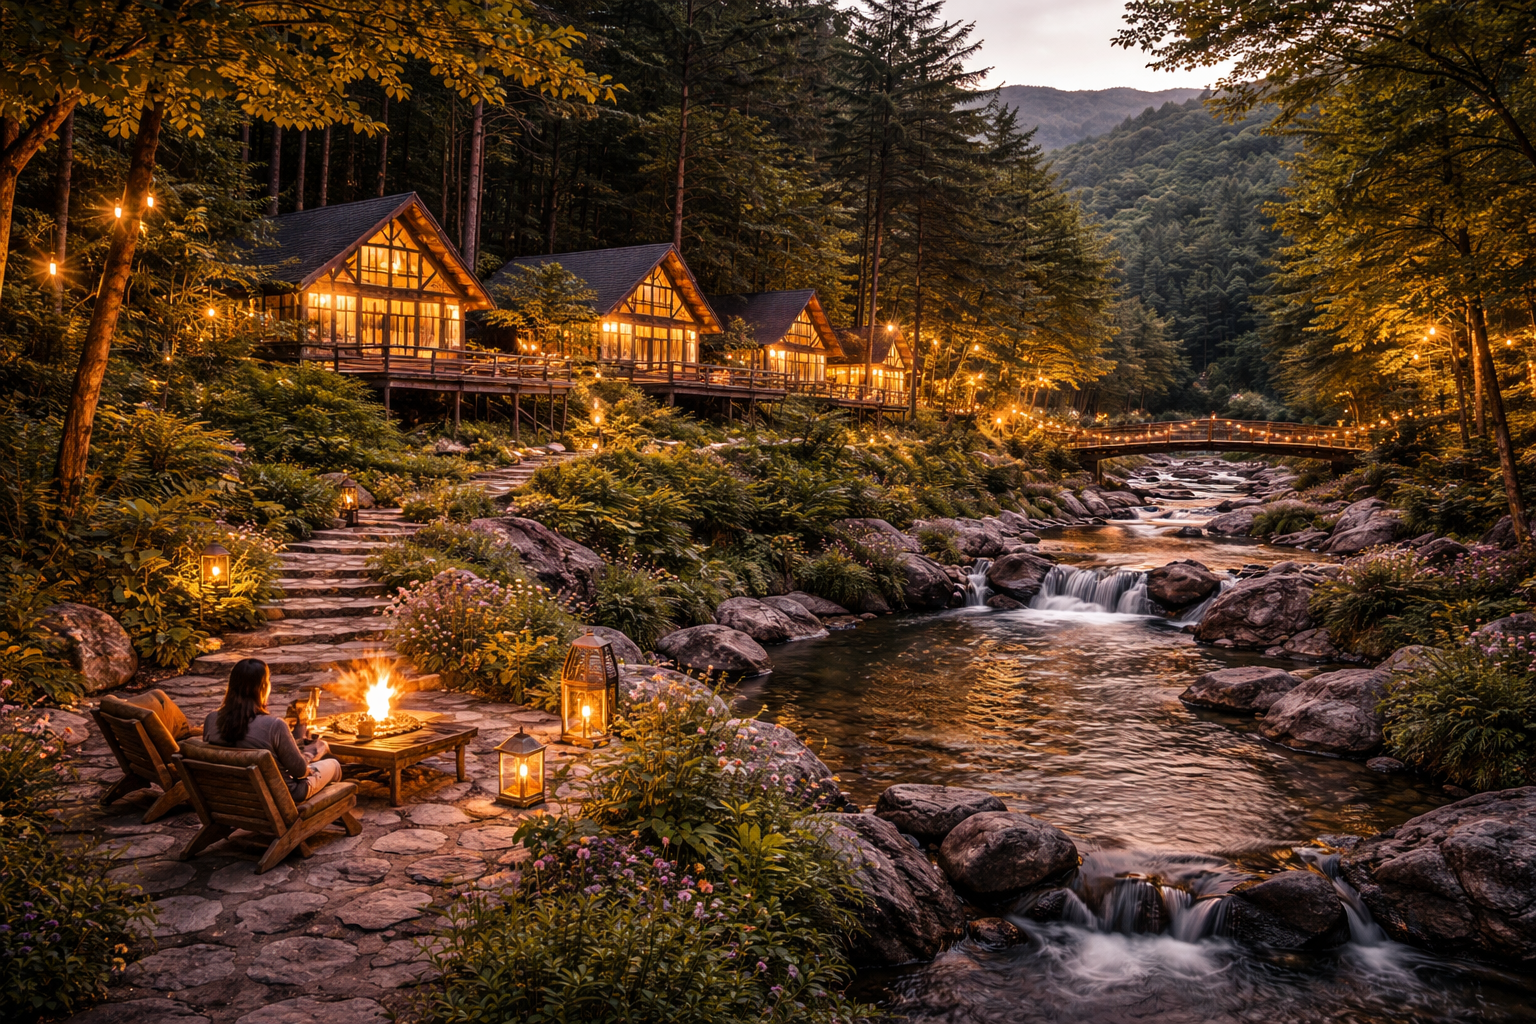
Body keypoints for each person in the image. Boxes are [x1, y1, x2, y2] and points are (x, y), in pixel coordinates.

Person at [204, 658, 342, 802]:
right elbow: (300, 771)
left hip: (230, 797)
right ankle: (322, 812)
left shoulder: (211, 719)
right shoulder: (274, 725)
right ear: (263, 688)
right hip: (280, 797)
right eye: (268, 681)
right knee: (334, 766)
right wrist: (312, 752)